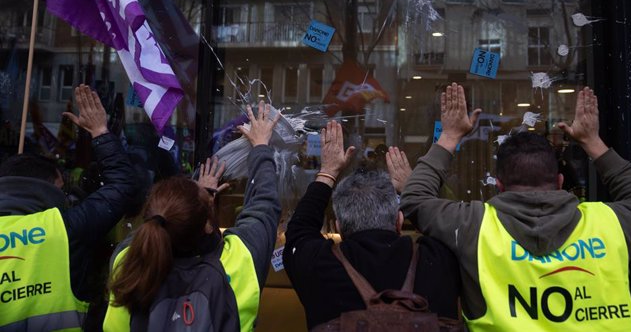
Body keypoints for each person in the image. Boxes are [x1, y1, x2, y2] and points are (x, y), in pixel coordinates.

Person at [400, 84, 631, 331]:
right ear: (560, 182)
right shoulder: (607, 225)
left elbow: (415, 199)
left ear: (499, 186)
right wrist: (592, 142)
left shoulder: (475, 227)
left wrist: (449, 136)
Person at [103, 100, 281, 332]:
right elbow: (264, 204)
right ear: (207, 225)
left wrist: (195, 201)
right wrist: (260, 147)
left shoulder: (128, 263)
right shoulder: (237, 262)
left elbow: (161, 216)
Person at [283, 120, 462, 330]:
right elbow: (445, 227)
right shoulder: (439, 258)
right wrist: (412, 192)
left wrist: (328, 172)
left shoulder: (319, 265)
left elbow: (298, 232)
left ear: (338, 227)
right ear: (399, 221)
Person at [0, 84, 144, 330]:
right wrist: (99, 131)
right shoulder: (64, 228)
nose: (66, 197)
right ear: (45, 189)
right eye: (61, 189)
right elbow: (123, 185)